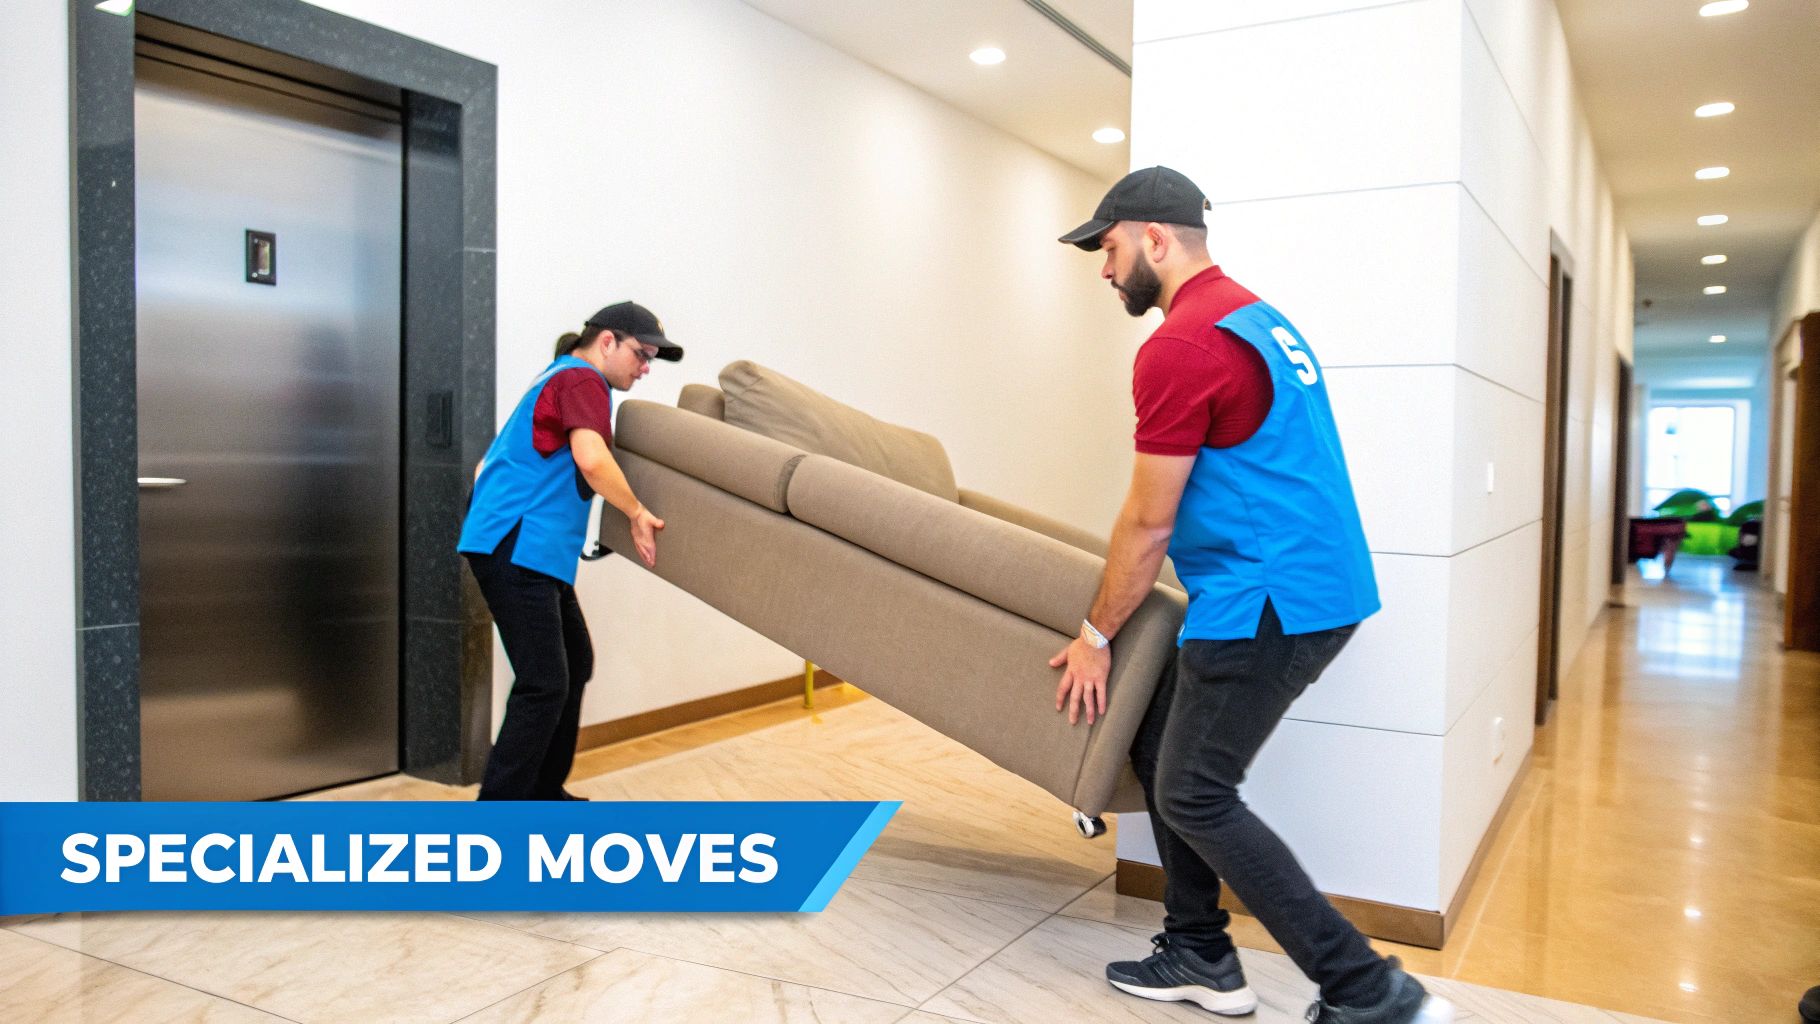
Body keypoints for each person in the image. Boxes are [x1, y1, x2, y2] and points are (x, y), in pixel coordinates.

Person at [1049, 167, 1453, 1024]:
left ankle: (1369, 991)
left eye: (1109, 248)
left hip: (1268, 597)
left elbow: (1147, 522)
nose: (1105, 269)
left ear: (1154, 238)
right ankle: (1199, 952)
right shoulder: (1256, 317)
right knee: (1162, 746)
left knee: (1195, 790)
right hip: (1311, 585)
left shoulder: (1180, 344)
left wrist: (1095, 634)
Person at [458, 301, 681, 801]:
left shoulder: (556, 376)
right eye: (642, 355)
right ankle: (498, 815)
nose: (645, 368)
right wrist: (636, 512)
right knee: (543, 682)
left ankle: (543, 791)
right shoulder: (583, 379)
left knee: (573, 663)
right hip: (517, 547)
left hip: (528, 549)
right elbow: (591, 459)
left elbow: (486, 466)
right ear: (608, 341)